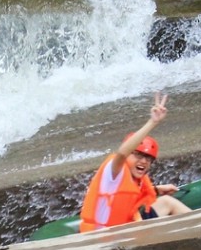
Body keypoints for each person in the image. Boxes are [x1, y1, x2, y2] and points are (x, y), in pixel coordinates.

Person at [79, 92, 191, 232]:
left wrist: (156, 189)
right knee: (163, 223)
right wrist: (153, 122)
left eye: (148, 158)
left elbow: (128, 199)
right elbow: (121, 153)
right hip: (105, 238)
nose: (144, 161)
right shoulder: (114, 172)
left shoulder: (137, 180)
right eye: (138, 155)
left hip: (127, 229)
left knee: (167, 202)